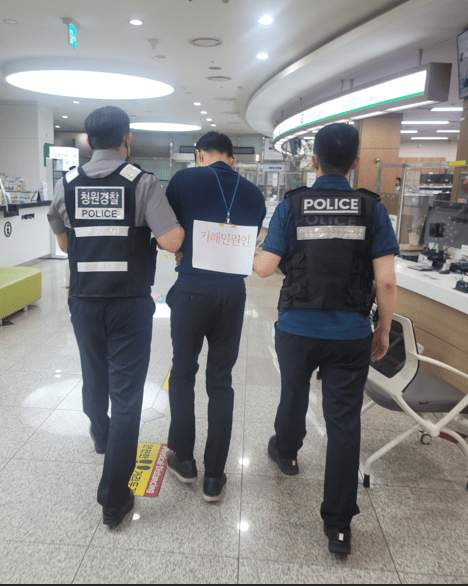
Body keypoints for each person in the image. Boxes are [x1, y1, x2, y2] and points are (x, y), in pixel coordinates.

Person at [253, 123, 399, 557]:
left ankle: (287, 452)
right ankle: (338, 526)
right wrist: (383, 328)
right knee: (344, 423)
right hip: (350, 333)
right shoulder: (372, 208)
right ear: (355, 162)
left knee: (293, 392)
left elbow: (264, 268)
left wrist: (253, 247)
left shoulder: (292, 205)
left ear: (313, 160)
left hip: (297, 328)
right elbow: (386, 281)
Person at [47, 106, 184, 528]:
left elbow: (63, 240)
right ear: (127, 139)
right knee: (126, 396)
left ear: (89, 141)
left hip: (84, 300)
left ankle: (100, 432)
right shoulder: (142, 182)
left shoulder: (67, 183)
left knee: (93, 372)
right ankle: (113, 498)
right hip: (129, 304)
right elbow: (170, 240)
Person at [165, 131, 266, 502]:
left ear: (199, 154)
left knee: (182, 373)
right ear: (232, 158)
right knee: (220, 381)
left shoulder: (183, 181)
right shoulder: (253, 194)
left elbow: (171, 235)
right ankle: (214, 477)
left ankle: (184, 460)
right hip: (232, 293)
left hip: (192, 288)